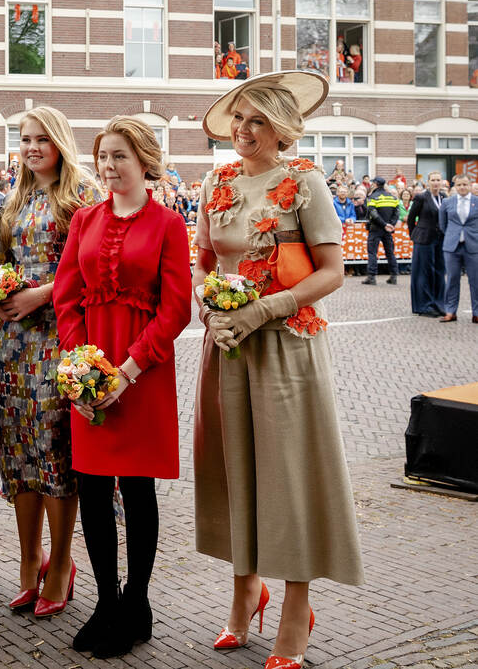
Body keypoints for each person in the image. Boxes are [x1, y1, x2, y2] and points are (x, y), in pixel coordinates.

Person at [192, 71, 363, 669]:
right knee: (234, 470)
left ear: (283, 128)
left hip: (288, 348)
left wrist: (266, 307)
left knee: (287, 477)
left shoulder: (306, 182)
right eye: (239, 117)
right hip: (228, 347)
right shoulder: (218, 179)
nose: (243, 129)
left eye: (257, 119)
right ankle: (244, 596)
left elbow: (332, 271)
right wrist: (211, 302)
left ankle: (295, 612)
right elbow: (205, 260)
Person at [50, 117, 190, 658]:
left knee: (136, 491)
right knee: (91, 489)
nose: (108, 167)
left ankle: (137, 602)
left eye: (119, 157)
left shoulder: (168, 224)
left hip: (143, 375)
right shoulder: (84, 220)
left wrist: (125, 373)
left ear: (145, 162)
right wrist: (83, 369)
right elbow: (66, 296)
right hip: (90, 374)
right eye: (102, 156)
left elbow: (176, 307)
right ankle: (106, 601)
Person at [0, 107, 101, 618]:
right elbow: (0, 262)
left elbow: (92, 268)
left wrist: (39, 296)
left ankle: (61, 563)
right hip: (12, 342)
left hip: (60, 336)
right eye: (24, 139)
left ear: (60, 141)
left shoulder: (82, 196)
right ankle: (27, 561)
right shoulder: (14, 197)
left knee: (53, 447)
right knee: (18, 448)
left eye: (41, 139)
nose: (31, 148)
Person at [407, 172, 447, 317]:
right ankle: (424, 305)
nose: (436, 183)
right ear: (428, 182)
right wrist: (414, 235)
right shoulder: (421, 197)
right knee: (424, 272)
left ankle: (438, 303)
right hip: (423, 239)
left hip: (440, 239)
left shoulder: (444, 197)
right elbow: (411, 218)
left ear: (441, 182)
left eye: (438, 180)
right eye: (433, 180)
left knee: (439, 271)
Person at [438, 174, 478, 323]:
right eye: (459, 185)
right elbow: (442, 224)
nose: (462, 187)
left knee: (475, 280)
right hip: (452, 246)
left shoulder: (476, 202)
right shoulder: (448, 202)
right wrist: (452, 234)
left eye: (465, 184)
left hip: (473, 245)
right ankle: (450, 311)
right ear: (455, 186)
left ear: (470, 185)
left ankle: (476, 312)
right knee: (452, 279)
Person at [363, 176, 399, 285]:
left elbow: (373, 214)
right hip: (388, 229)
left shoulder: (372, 197)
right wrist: (390, 225)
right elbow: (396, 213)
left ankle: (372, 277)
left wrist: (383, 224)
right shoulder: (392, 198)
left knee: (372, 252)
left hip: (376, 228)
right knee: (390, 252)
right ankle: (393, 276)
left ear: (375, 184)